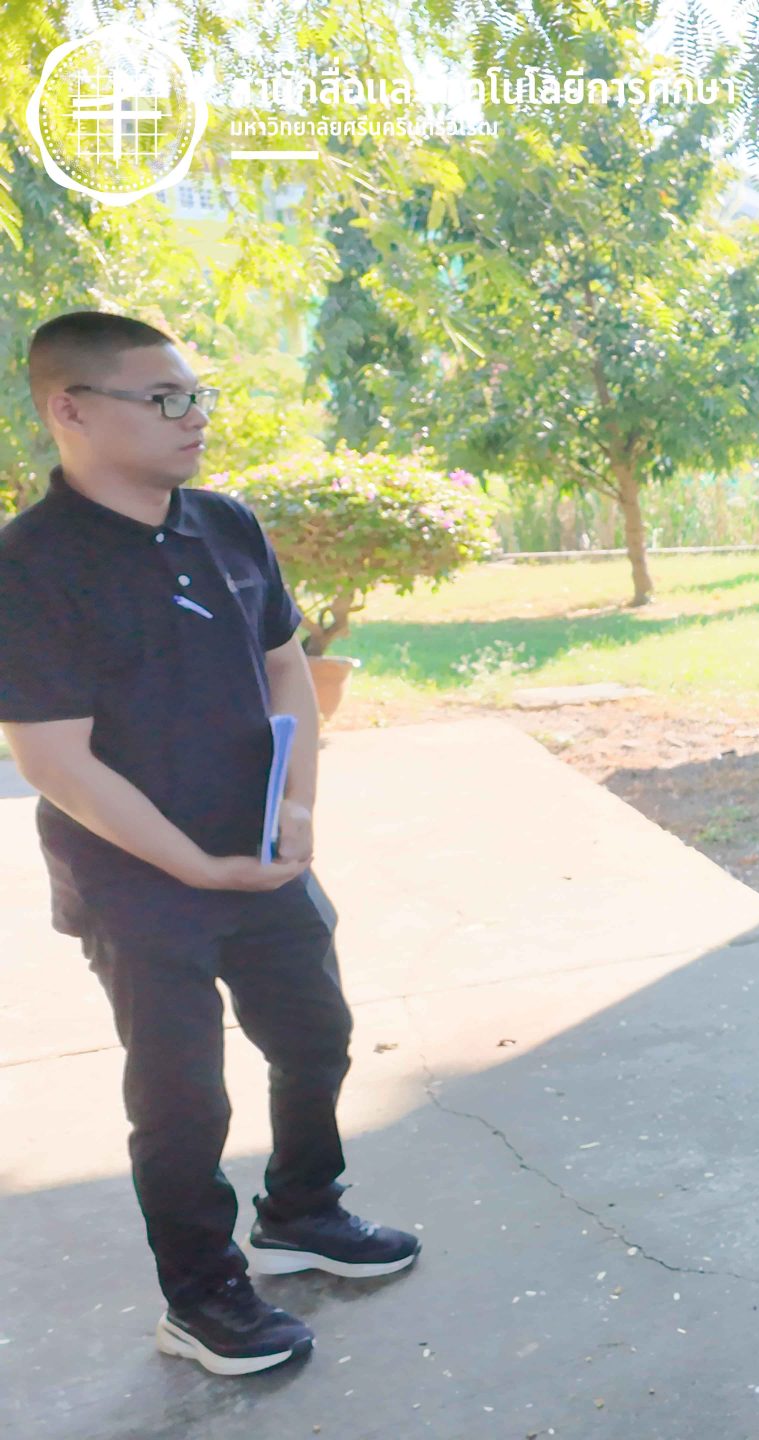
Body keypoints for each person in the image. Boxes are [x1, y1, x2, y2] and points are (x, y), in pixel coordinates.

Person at [0, 312, 420, 1377]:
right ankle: (199, 1297)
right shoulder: (30, 565)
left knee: (316, 1037)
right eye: (164, 399)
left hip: (262, 853)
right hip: (137, 883)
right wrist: (195, 866)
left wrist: (300, 806)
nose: (193, 418)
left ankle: (302, 1210)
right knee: (183, 1096)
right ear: (70, 409)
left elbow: (286, 668)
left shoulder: (226, 524)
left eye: (197, 395)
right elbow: (54, 759)